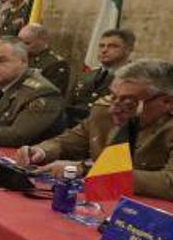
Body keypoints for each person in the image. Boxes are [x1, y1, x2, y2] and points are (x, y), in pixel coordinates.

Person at [16, 59, 173, 200]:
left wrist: (85, 169)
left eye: (129, 103)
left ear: (167, 102)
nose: (113, 109)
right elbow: (67, 142)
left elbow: (169, 183)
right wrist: (40, 151)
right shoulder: (102, 111)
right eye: (113, 97)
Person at [67, 28, 136, 123]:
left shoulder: (133, 79)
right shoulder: (89, 75)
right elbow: (70, 103)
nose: (104, 50)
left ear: (129, 49)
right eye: (101, 46)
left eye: (113, 46)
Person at [18, 23, 70, 94]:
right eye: (20, 43)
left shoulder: (56, 64)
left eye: (27, 43)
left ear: (42, 40)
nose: (22, 47)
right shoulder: (18, 57)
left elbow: (52, 93)